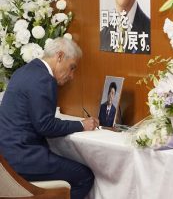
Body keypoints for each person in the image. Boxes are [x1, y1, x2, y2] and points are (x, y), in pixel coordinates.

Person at [0, 37, 99, 199]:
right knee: (84, 176)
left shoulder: (25, 71)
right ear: (59, 56)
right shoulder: (44, 79)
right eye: (72, 67)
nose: (72, 76)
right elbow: (45, 126)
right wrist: (82, 125)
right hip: (23, 157)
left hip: (6, 157)